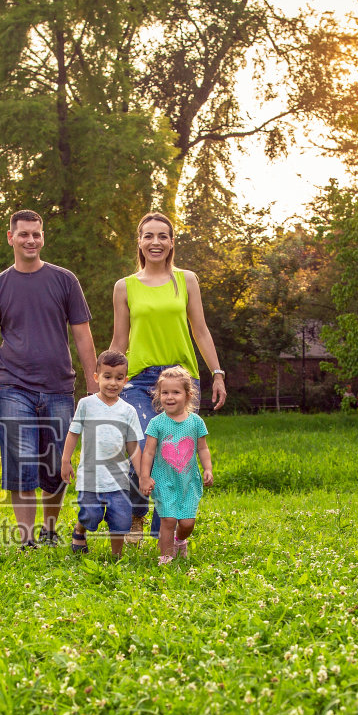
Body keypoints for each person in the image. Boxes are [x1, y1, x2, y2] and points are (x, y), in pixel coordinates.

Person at [0, 210, 99, 547]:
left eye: (36, 234)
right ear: (10, 237)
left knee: (56, 465)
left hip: (59, 387)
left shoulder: (65, 280)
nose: (31, 240)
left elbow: (83, 335)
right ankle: (27, 540)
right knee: (21, 463)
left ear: (43, 237)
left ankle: (50, 530)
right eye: (24, 234)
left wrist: (94, 384)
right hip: (13, 386)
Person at [109, 212, 226, 542]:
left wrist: (217, 373)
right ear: (140, 242)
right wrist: (105, 380)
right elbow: (119, 339)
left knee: (176, 457)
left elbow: (200, 330)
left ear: (172, 242)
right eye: (149, 236)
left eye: (162, 236)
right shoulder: (125, 287)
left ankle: (166, 534)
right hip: (138, 379)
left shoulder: (186, 280)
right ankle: (136, 512)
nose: (155, 242)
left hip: (181, 379)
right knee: (141, 447)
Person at [59, 350, 143, 556]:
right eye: (107, 377)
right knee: (90, 516)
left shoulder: (128, 411)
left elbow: (133, 446)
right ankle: (80, 529)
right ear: (96, 377)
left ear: (126, 381)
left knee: (121, 520)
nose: (113, 383)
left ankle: (116, 555)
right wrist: (65, 461)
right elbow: (73, 433)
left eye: (119, 378)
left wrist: (142, 475)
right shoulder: (86, 404)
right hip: (90, 478)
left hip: (118, 479)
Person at [139, 366, 213, 566]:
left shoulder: (196, 422)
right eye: (165, 392)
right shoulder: (157, 423)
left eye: (175, 392)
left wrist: (208, 469)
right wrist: (144, 477)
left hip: (188, 482)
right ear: (159, 395)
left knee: (187, 523)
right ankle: (165, 558)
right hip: (164, 480)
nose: (169, 397)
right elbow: (149, 452)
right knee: (168, 520)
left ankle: (179, 541)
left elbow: (203, 448)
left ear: (188, 395)